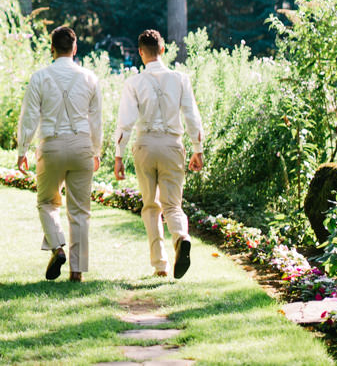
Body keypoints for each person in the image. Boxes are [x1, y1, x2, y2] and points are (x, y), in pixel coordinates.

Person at [113, 29, 205, 279]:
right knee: (173, 204)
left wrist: (118, 155)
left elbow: (126, 121)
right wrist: (198, 149)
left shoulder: (134, 82)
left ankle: (160, 265)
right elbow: (191, 116)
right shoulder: (180, 79)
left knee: (151, 206)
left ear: (141, 53)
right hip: (172, 145)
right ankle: (181, 236)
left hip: (144, 146)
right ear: (162, 49)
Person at [16, 25, 102, 282]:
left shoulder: (40, 77)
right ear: (75, 48)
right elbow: (96, 120)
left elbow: (29, 117)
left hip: (52, 146)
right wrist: (96, 150)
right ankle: (77, 272)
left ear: (52, 48)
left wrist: (22, 150)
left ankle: (57, 247)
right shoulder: (89, 78)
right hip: (81, 146)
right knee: (80, 211)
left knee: (46, 203)